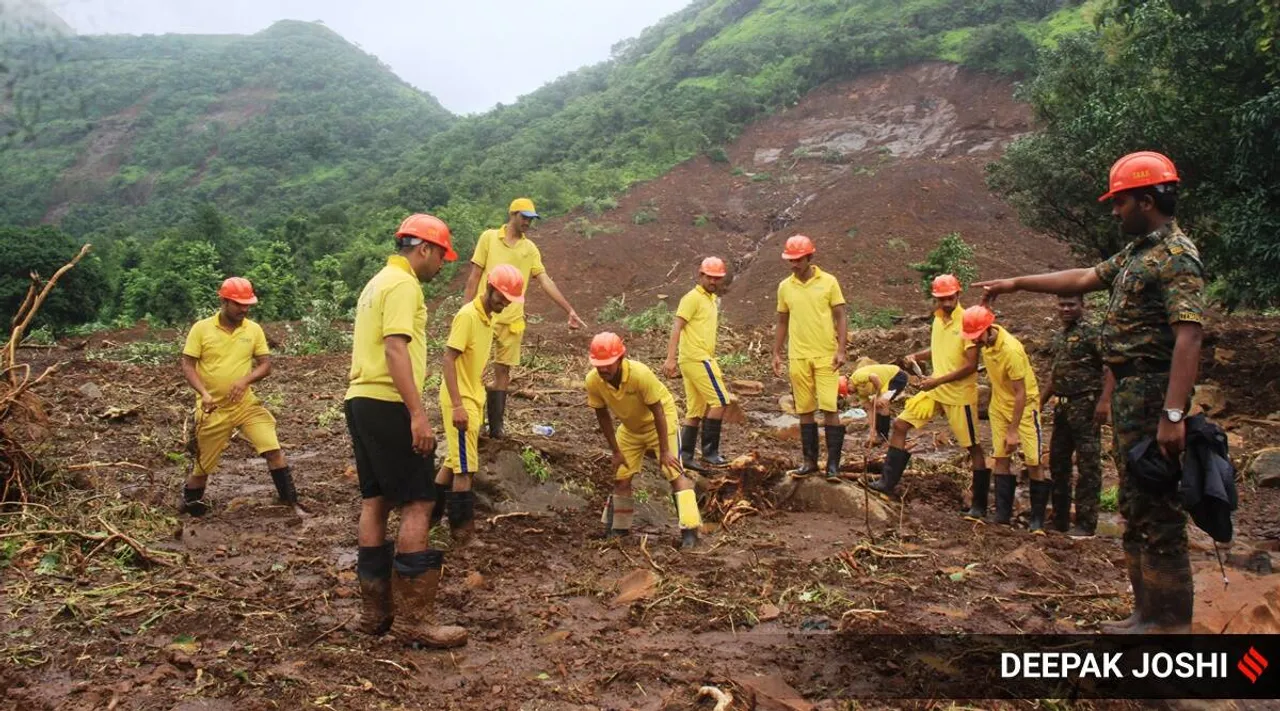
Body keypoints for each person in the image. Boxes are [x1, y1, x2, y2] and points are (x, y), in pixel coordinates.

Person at [975, 150, 1204, 633]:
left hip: (1152, 392)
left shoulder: (1176, 256)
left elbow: (1189, 335)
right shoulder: (1137, 253)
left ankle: (1172, 626)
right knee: (1135, 505)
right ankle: (1145, 614)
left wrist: (1173, 414)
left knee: (1158, 507)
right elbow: (1081, 278)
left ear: (1146, 201)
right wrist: (1015, 283)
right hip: (1129, 393)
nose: (1115, 211)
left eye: (1120, 202)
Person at [345, 213, 466, 648]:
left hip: (360, 399)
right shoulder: (403, 285)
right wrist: (417, 413)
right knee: (419, 501)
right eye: (440, 257)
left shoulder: (376, 283)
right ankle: (415, 620)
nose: (441, 267)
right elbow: (395, 348)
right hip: (388, 401)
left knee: (376, 500)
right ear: (424, 249)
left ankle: (375, 613)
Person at [464, 198, 587, 439]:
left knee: (503, 372)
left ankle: (496, 429)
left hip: (512, 319)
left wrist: (569, 309)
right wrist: (465, 312)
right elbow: (474, 276)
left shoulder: (530, 249)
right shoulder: (489, 238)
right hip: (484, 315)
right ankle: (474, 423)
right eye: (524, 217)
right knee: (475, 369)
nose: (528, 223)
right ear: (513, 214)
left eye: (531, 219)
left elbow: (545, 280)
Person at [869, 275, 989, 512]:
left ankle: (979, 503)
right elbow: (939, 348)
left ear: (958, 295)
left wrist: (937, 381)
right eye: (942, 299)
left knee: (973, 446)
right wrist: (917, 356)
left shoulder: (967, 321)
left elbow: (971, 365)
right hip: (936, 389)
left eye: (950, 298)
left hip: (958, 393)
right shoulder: (938, 320)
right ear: (936, 299)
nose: (946, 303)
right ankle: (886, 483)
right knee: (900, 424)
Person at [179, 277, 296, 515]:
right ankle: (189, 508)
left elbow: (265, 365)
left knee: (273, 449)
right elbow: (188, 365)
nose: (244, 309)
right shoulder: (201, 329)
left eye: (247, 305)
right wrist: (203, 393)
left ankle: (291, 503)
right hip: (212, 408)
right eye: (239, 305)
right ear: (224, 301)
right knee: (202, 468)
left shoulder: (253, 330)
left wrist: (245, 381)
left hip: (245, 405)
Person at [430, 264, 525, 543]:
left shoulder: (488, 318)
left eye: (508, 301)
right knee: (465, 468)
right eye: (501, 298)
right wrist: (458, 405)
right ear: (490, 287)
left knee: (453, 461)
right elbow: (448, 359)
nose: (504, 304)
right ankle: (463, 533)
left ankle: (429, 518)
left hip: (473, 397)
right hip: (460, 400)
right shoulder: (468, 316)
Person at [587, 332, 703, 549]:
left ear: (620, 359)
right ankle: (618, 530)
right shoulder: (593, 381)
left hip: (660, 421)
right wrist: (615, 450)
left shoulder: (640, 374)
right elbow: (601, 415)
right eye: (599, 365)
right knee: (621, 477)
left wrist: (665, 451)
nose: (603, 370)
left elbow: (658, 410)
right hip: (631, 428)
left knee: (673, 472)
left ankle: (690, 532)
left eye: (608, 364)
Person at [962, 306, 1048, 531]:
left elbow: (1021, 393)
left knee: (1033, 460)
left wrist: (1013, 430)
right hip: (999, 405)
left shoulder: (1011, 350)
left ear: (988, 328)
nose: (974, 341)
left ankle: (1037, 521)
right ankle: (1002, 515)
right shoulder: (986, 343)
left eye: (976, 336)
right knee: (1001, 456)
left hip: (1024, 407)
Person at [771, 235, 849, 483]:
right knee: (804, 408)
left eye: (798, 260)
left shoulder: (829, 282)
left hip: (826, 355)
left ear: (810, 257)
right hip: (798, 355)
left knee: (829, 407)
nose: (794, 264)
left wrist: (841, 349)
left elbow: (841, 316)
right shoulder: (785, 287)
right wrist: (776, 352)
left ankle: (833, 466)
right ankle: (809, 462)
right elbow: (782, 321)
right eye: (791, 260)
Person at [1041, 294, 1115, 537]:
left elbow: (1110, 366)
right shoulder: (1060, 335)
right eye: (1062, 304)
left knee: (1088, 465)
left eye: (1071, 304)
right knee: (1058, 463)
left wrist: (1105, 401)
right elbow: (1056, 372)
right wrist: (1041, 401)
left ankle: (1086, 523)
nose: (1066, 309)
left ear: (1083, 305)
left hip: (1086, 405)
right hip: (1062, 406)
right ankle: (1060, 520)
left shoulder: (1092, 332)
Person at [663, 257, 732, 471]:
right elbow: (677, 326)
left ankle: (685, 455)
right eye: (709, 277)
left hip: (695, 358)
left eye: (717, 278)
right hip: (697, 358)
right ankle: (710, 453)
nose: (713, 281)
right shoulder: (692, 298)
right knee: (720, 401)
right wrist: (670, 358)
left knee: (695, 410)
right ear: (700, 275)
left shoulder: (711, 299)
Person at [843, 361, 910, 449]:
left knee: (881, 403)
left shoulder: (857, 376)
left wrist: (878, 395)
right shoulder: (859, 393)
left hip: (896, 377)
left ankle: (883, 438)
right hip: (886, 384)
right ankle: (879, 436)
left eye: (849, 391)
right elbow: (869, 409)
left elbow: (874, 377)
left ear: (848, 383)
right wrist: (872, 431)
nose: (850, 393)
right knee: (877, 403)